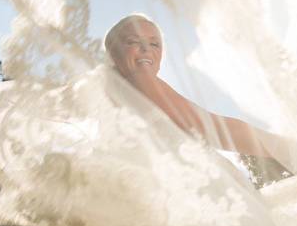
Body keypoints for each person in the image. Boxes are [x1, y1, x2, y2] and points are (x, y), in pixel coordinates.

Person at [104, 13, 277, 159]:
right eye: (133, 41)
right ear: (113, 52)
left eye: (154, 44)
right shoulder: (137, 79)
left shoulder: (114, 91)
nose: (146, 49)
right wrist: (286, 150)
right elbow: (209, 126)